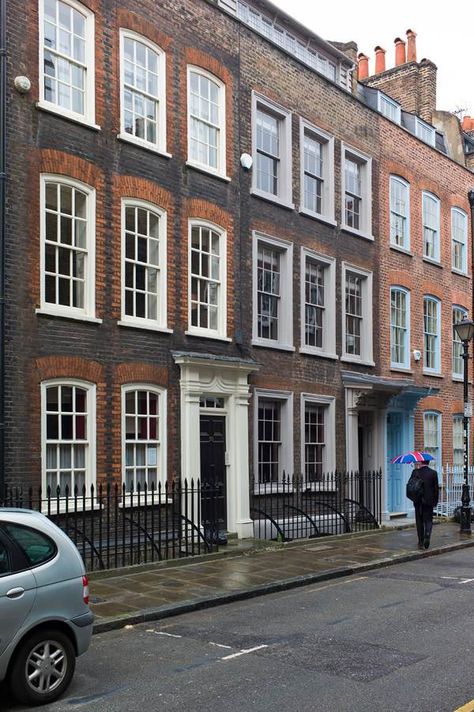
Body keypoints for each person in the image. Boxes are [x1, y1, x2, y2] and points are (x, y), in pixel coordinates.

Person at [413, 459, 439, 549]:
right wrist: (435, 501)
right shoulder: (433, 473)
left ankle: (420, 541)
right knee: (428, 520)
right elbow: (436, 489)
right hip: (429, 501)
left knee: (419, 521)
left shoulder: (415, 472)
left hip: (418, 501)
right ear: (428, 463)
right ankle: (427, 534)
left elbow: (411, 486)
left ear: (421, 462)